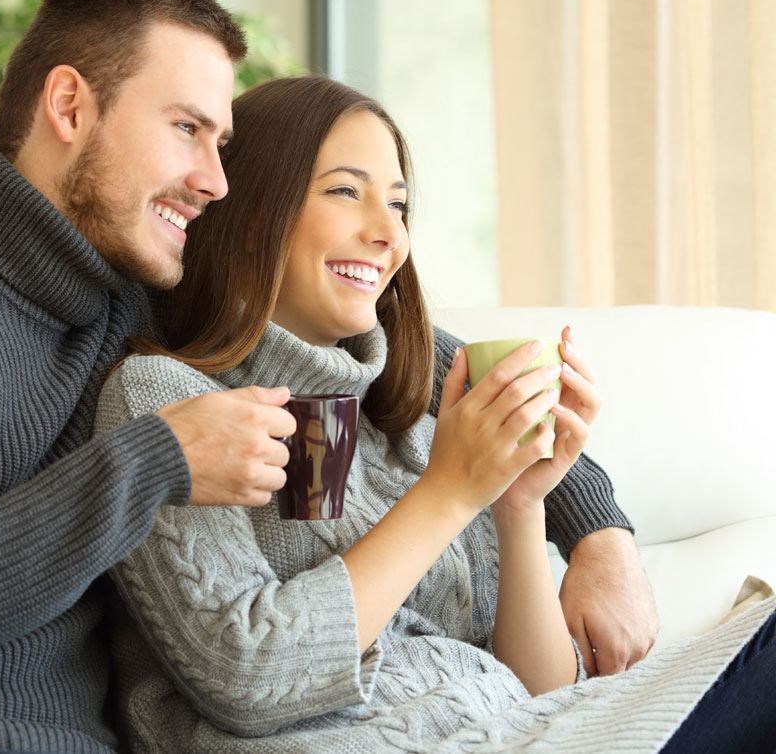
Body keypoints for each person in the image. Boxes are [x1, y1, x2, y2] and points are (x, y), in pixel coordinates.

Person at [0, 0, 645, 753]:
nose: (215, 181)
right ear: (70, 106)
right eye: (187, 131)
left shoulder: (139, 297)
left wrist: (602, 533)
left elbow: (436, 371)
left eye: (222, 145)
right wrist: (158, 460)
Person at [98, 75, 776, 753]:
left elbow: (542, 689)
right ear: (250, 217)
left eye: (398, 205)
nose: (386, 232)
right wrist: (450, 491)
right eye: (345, 190)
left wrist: (518, 506)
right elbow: (250, 674)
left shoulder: (406, 420)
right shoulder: (166, 399)